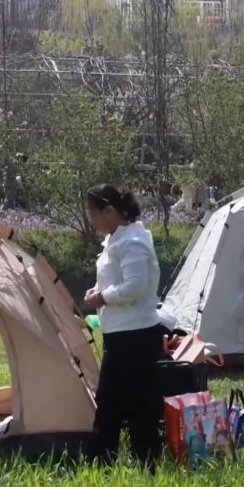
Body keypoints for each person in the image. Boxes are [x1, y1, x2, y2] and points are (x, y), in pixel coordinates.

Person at [83, 184, 168, 470]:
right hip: (119, 333)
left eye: (93, 213)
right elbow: (116, 279)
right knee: (109, 400)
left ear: (110, 211)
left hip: (137, 334)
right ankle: (103, 460)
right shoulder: (116, 240)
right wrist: (97, 290)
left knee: (137, 402)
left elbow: (135, 286)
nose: (92, 220)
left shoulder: (133, 241)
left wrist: (103, 297)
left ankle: (146, 459)